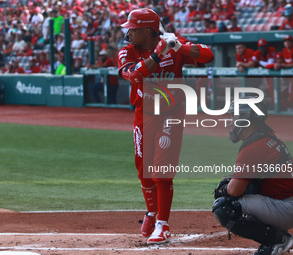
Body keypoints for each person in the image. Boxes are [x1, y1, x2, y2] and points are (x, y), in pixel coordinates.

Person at [118, 8, 214, 244]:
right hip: (143, 114)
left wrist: (179, 47)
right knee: (144, 170)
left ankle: (163, 224)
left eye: (132, 29)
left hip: (170, 113)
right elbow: (135, 76)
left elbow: (208, 56)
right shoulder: (127, 50)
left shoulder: (172, 43)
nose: (128, 33)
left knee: (162, 171)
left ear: (147, 30)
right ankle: (151, 212)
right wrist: (158, 55)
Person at [213, 98, 293, 255]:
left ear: (246, 119)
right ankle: (280, 235)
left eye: (235, 117)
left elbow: (234, 191)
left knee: (224, 207)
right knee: (249, 190)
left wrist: (224, 190)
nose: (233, 122)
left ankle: (277, 241)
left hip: (287, 209)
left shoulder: (254, 146)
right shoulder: (268, 136)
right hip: (286, 203)